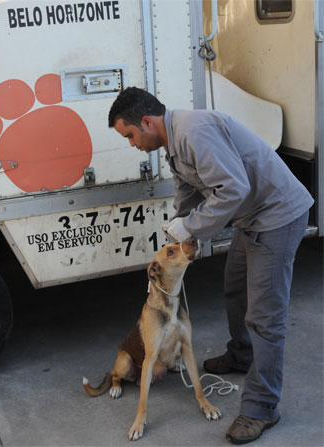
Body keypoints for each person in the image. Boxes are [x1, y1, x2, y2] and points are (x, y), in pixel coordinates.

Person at [108, 86, 314, 444]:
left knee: (264, 316)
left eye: (130, 135)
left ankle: (261, 408)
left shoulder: (194, 132)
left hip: (277, 215)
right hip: (251, 218)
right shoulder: (173, 144)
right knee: (235, 286)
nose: (132, 144)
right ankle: (242, 354)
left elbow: (233, 188)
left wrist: (190, 227)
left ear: (146, 121)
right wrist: (181, 232)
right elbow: (189, 195)